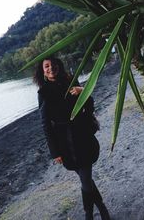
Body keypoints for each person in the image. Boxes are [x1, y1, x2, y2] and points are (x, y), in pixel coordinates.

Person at [34, 56, 110, 220]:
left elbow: (88, 106)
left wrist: (83, 91)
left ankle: (89, 214)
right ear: (42, 71)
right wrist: (54, 152)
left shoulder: (71, 83)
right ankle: (102, 208)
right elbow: (45, 124)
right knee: (86, 179)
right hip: (65, 143)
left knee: (85, 178)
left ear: (59, 66)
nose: (51, 68)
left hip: (82, 136)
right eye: (46, 66)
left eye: (53, 65)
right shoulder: (43, 93)